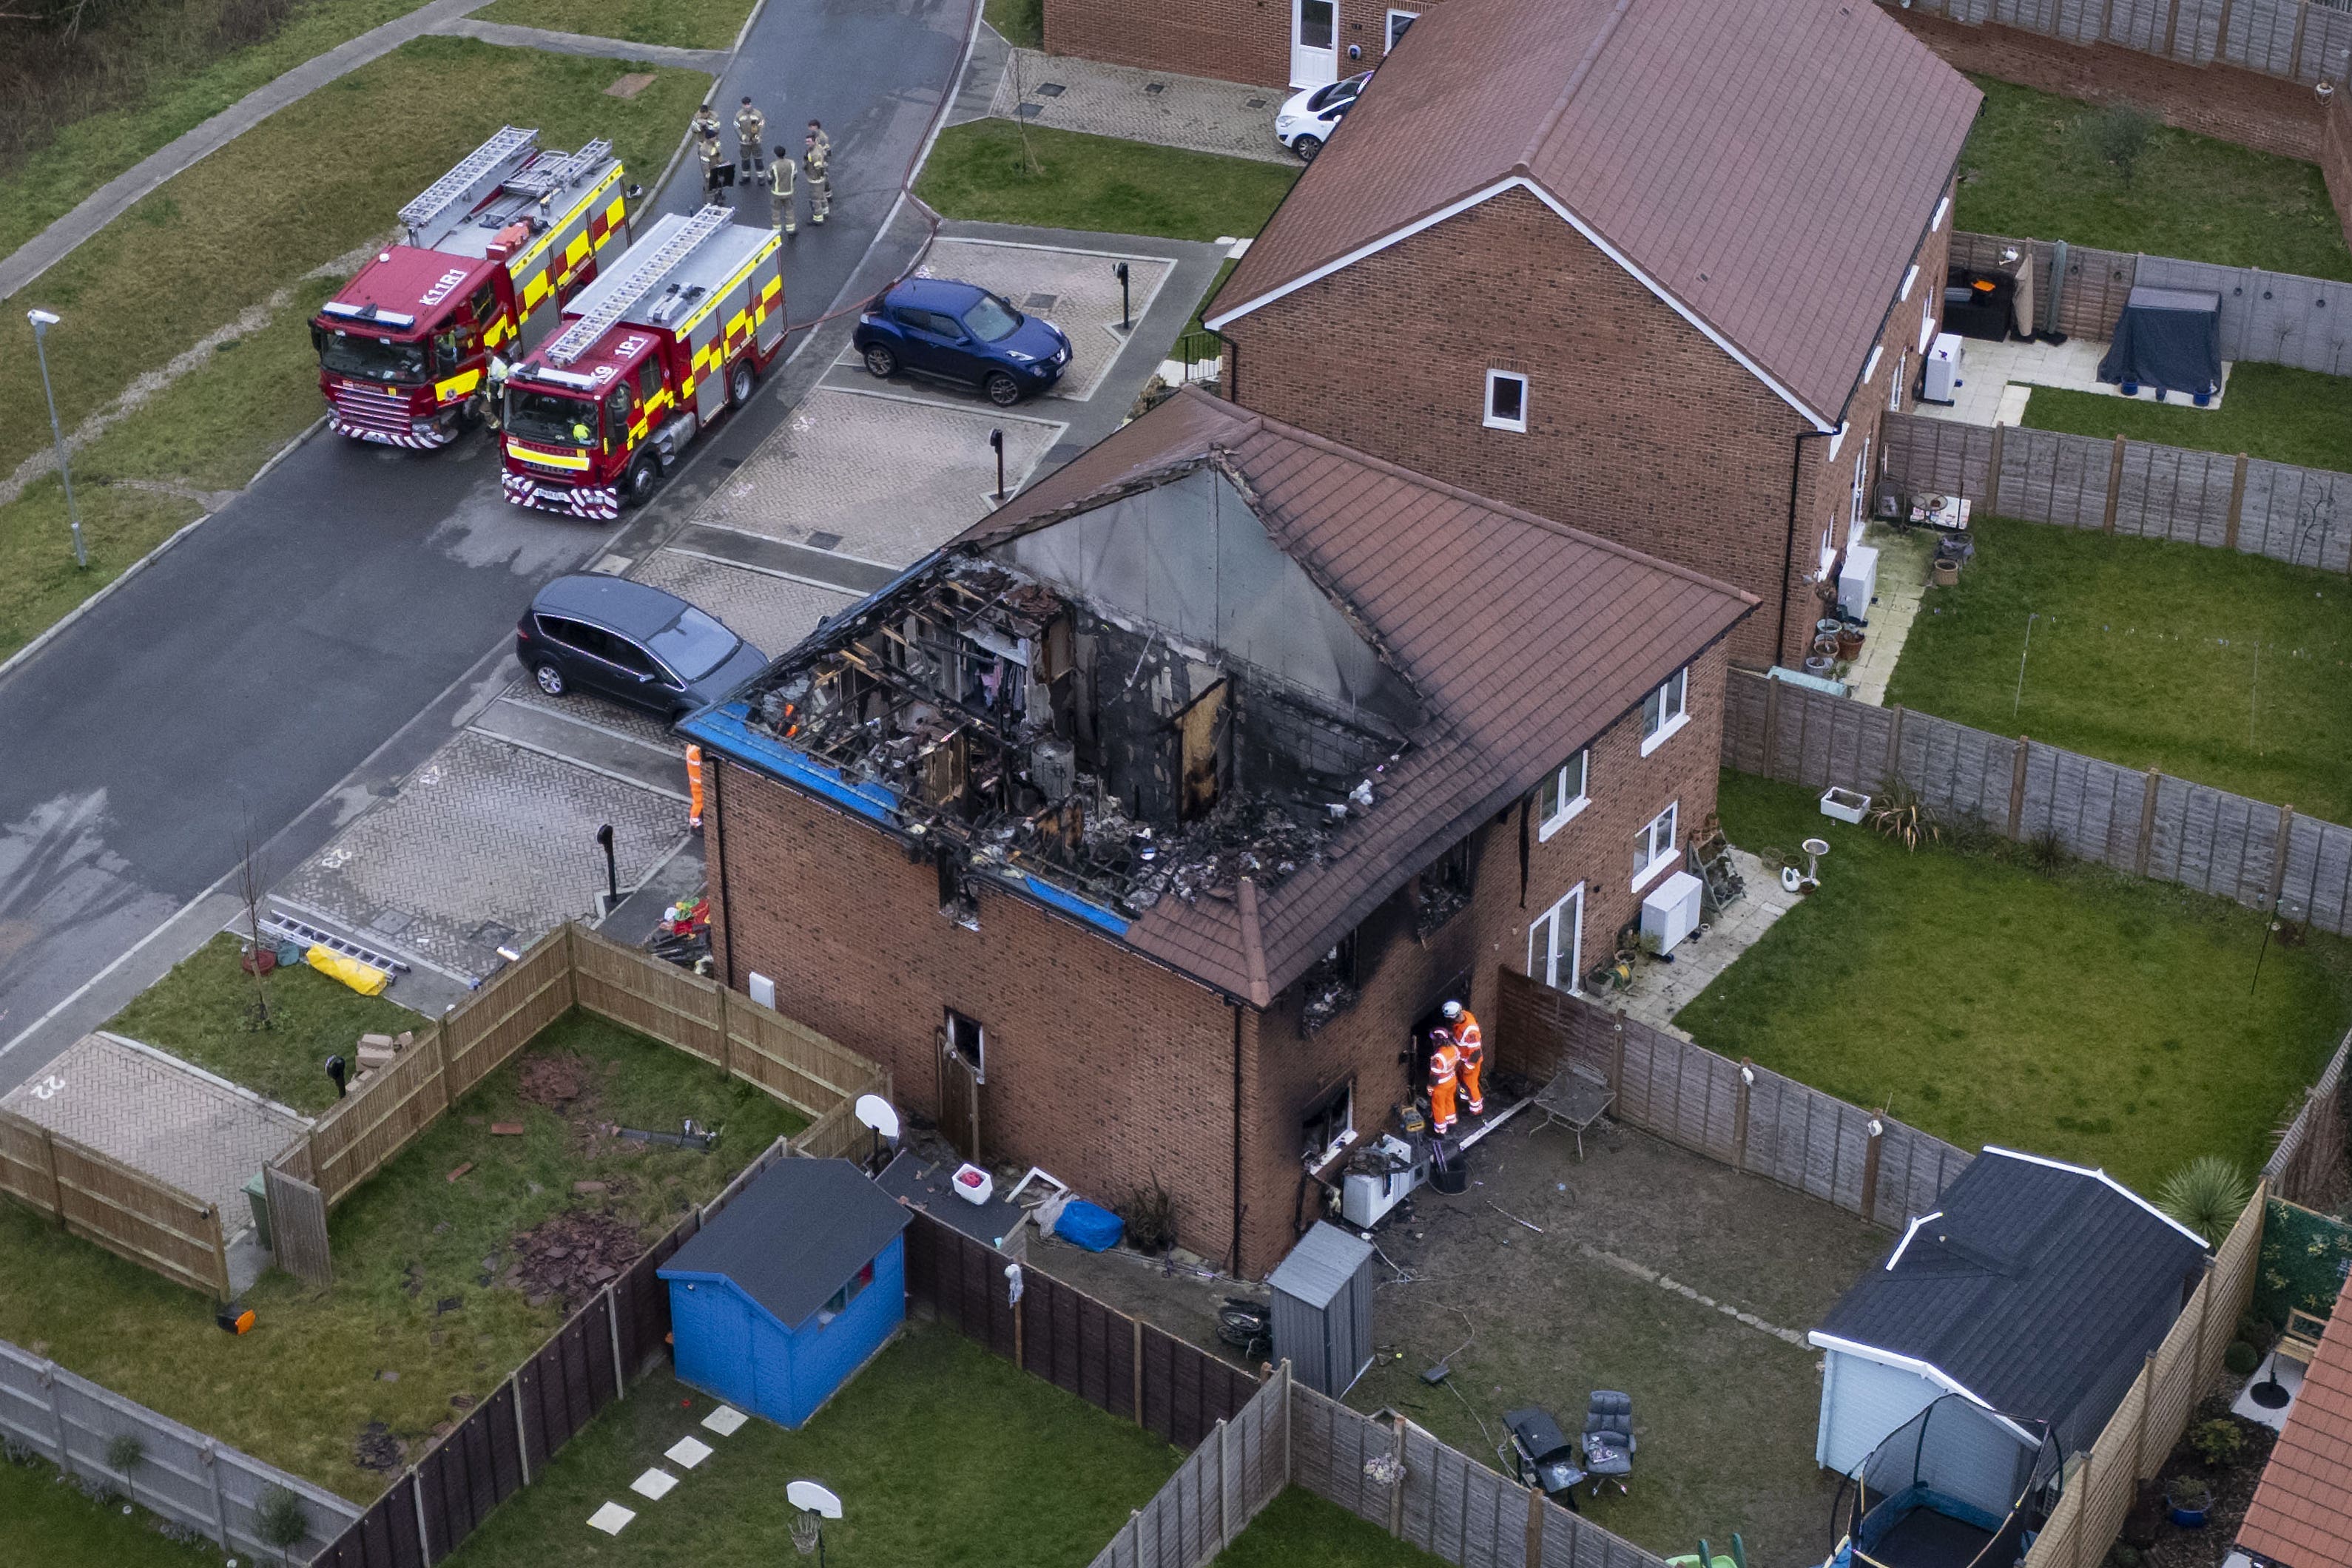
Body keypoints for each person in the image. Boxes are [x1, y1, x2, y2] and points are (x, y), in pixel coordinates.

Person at [1441, 999, 1483, 1116]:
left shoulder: (1470, 1031)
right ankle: (1465, 1101)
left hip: (1471, 1062)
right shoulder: (1463, 1016)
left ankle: (1476, 1110)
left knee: (1471, 1085)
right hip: (1463, 1059)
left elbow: (1476, 1053)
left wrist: (1469, 1068)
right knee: (1462, 1082)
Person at [1426, 1029, 1460, 1135]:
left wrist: (1430, 1086)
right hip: (1452, 1080)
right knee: (1449, 1100)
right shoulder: (1454, 1049)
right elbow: (1458, 1064)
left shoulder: (1439, 1057)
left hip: (1440, 1086)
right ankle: (1451, 1122)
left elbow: (1435, 1077)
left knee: (1438, 1106)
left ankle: (1440, 1131)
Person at [766, 144, 797, 234]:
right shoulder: (792, 163)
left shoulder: (773, 165)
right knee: (790, 211)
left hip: (777, 194)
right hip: (789, 192)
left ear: (775, 154)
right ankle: (791, 231)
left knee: (776, 213)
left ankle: (777, 232)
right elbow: (795, 176)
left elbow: (769, 178)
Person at [803, 129, 831, 225]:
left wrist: (817, 177)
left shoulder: (814, 154)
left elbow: (818, 168)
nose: (807, 143)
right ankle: (825, 212)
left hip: (815, 180)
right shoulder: (818, 148)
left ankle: (818, 218)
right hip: (820, 180)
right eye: (806, 141)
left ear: (814, 141)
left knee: (815, 199)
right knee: (822, 196)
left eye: (809, 141)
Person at [734, 95, 766, 175]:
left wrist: (758, 136)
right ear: (742, 105)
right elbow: (736, 127)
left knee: (758, 158)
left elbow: (762, 125)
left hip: (756, 141)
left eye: (748, 104)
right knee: (745, 159)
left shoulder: (758, 114)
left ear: (751, 104)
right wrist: (742, 136)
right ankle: (746, 177)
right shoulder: (738, 115)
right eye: (745, 105)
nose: (747, 106)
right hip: (745, 142)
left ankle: (761, 177)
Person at [696, 126, 729, 203]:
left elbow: (719, 152)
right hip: (710, 169)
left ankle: (719, 197)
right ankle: (709, 204)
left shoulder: (716, 143)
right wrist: (708, 174)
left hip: (717, 166)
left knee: (719, 183)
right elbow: (704, 163)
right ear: (709, 138)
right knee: (710, 189)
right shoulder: (704, 149)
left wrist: (722, 163)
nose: (715, 138)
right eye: (713, 137)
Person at [686, 744, 705, 831]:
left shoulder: (692, 749)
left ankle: (696, 825)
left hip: (697, 781)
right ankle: (696, 825)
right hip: (699, 781)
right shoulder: (695, 752)